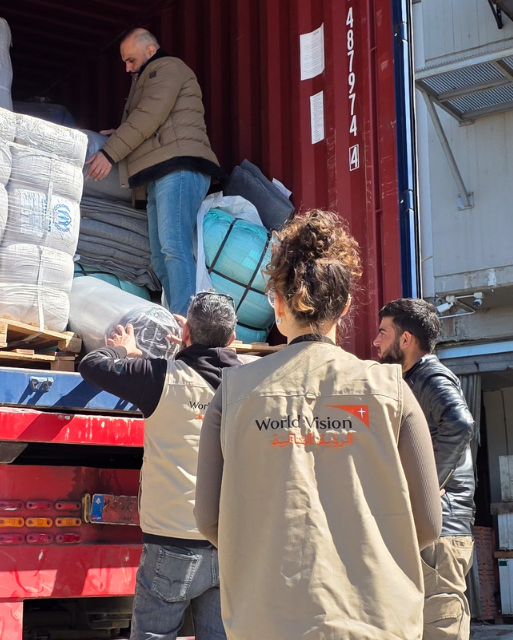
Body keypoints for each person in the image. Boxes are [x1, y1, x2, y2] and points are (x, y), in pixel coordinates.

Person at [194, 210, 442, 640]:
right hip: (375, 619)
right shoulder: (391, 389)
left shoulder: (232, 392)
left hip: (264, 621)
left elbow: (207, 517)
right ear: (345, 306)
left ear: (277, 303)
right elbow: (428, 523)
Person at [77, 292, 243, 640]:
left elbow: (92, 365)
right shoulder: (250, 385)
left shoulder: (159, 377)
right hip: (229, 545)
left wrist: (124, 348)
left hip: (171, 544)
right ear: (232, 339)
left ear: (186, 334)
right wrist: (195, 341)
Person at [85, 28, 221, 315]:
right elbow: (152, 120)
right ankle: (177, 318)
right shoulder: (149, 74)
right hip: (159, 172)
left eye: (131, 60)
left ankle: (185, 323)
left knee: (174, 247)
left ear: (150, 50)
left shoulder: (167, 68)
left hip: (180, 167)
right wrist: (119, 132)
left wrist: (110, 152)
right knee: (159, 258)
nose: (127, 67)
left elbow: (149, 115)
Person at [374, 298, 477, 640]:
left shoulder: (430, 376)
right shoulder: (409, 380)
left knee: (440, 628)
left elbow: (461, 423)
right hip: (428, 530)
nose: (375, 342)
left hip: (442, 530)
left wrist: (427, 486)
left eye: (382, 333)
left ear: (405, 340)